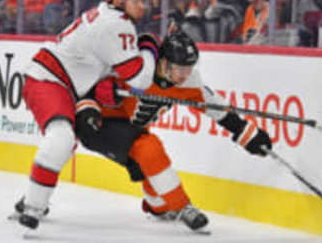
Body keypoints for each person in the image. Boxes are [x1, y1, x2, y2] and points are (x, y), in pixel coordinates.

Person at [73, 30, 273, 231]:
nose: (185, 74)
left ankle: (156, 207)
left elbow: (215, 107)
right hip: (99, 121)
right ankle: (183, 207)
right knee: (149, 148)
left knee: (157, 194)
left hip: (133, 131)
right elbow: (89, 79)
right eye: (180, 68)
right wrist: (96, 95)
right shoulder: (138, 67)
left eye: (189, 68)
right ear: (164, 63)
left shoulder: (188, 82)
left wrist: (247, 134)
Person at [13, 0, 159, 230]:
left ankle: (33, 199)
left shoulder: (107, 15)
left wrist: (106, 84)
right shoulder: (117, 24)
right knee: (61, 137)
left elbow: (102, 65)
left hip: (64, 84)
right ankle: (32, 208)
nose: (142, 4)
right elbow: (140, 79)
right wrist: (150, 48)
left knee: (66, 142)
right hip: (50, 80)